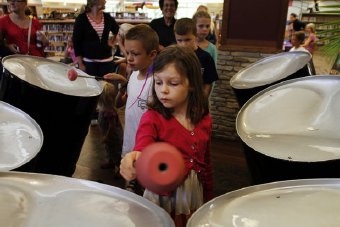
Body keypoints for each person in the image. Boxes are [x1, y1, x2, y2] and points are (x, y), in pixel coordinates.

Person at [120, 46, 213, 227]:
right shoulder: (152, 117)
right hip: (163, 198)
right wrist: (133, 158)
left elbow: (206, 161)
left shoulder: (203, 118)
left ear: (192, 83)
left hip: (193, 195)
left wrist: (209, 197)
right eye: (158, 82)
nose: (163, 90)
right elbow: (142, 147)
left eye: (173, 83)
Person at [104, 24, 159, 193]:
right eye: (127, 53)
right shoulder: (133, 75)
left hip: (148, 147)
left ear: (152, 54)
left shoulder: (157, 82)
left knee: (148, 185)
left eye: (135, 54)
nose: (129, 58)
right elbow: (122, 103)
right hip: (130, 139)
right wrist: (121, 85)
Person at [72, 0, 119, 77]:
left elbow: (118, 31)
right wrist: (80, 63)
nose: (105, 1)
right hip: (89, 63)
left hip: (107, 62)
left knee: (107, 88)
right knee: (91, 87)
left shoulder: (107, 17)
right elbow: (76, 42)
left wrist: (113, 42)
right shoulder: (81, 19)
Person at [174, 18, 219, 97]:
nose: (183, 44)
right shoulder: (172, 57)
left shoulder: (206, 58)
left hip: (197, 100)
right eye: (179, 40)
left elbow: (208, 83)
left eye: (187, 40)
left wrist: (202, 101)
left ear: (195, 36)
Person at [97, 82, 123, 175]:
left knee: (115, 150)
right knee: (108, 149)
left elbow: (112, 127)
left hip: (112, 136)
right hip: (107, 133)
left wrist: (107, 137)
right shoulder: (103, 107)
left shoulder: (109, 111)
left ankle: (119, 168)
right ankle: (110, 162)